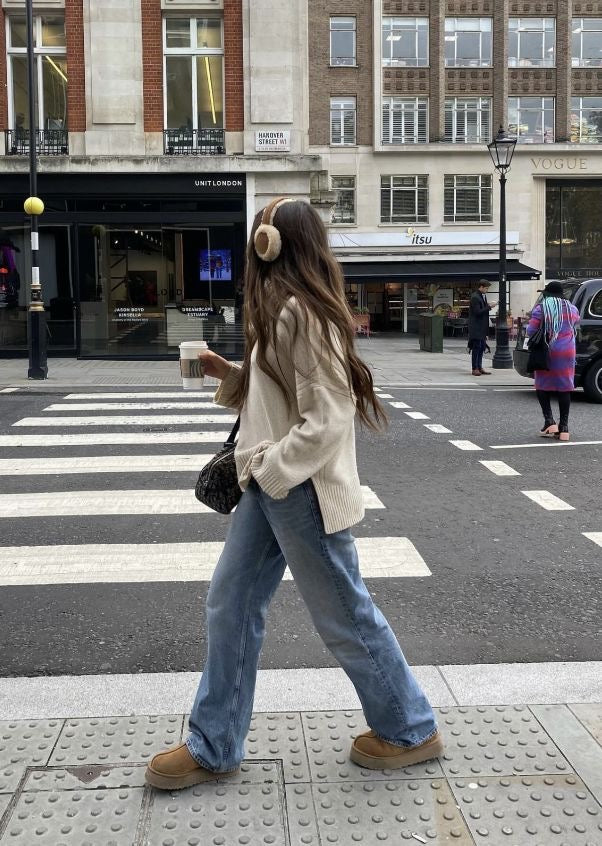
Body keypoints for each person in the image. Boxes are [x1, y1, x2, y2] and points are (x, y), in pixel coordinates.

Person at [145, 198, 443, 791]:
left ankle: (410, 728)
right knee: (230, 603)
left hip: (296, 488)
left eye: (260, 233)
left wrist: (275, 471)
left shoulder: (303, 314)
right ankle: (216, 743)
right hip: (271, 482)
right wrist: (224, 373)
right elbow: (276, 396)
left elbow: (327, 418)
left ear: (270, 246)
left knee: (343, 615)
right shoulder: (286, 310)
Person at [527, 281, 580, 441]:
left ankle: (549, 421)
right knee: (565, 387)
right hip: (568, 351)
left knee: (542, 385)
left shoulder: (541, 309)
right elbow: (575, 322)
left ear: (548, 294)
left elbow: (531, 330)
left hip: (547, 351)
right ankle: (564, 428)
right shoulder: (572, 308)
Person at [468, 279, 497, 375]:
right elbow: (477, 312)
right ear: (481, 287)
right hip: (476, 327)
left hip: (482, 327)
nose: (487, 290)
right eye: (486, 288)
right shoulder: (475, 297)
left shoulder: (482, 296)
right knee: (476, 347)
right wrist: (489, 307)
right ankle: (474, 368)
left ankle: (479, 367)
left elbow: (481, 310)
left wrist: (488, 305)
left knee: (482, 347)